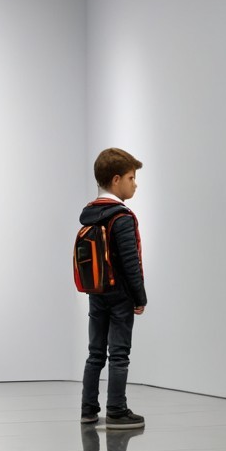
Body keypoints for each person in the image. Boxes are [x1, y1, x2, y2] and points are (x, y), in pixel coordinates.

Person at [80, 148, 148, 429]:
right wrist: (139, 297)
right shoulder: (121, 217)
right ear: (117, 179)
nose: (135, 184)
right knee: (119, 353)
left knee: (95, 352)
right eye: (132, 178)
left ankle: (88, 409)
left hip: (96, 292)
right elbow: (130, 263)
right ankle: (117, 410)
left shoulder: (90, 214)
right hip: (120, 294)